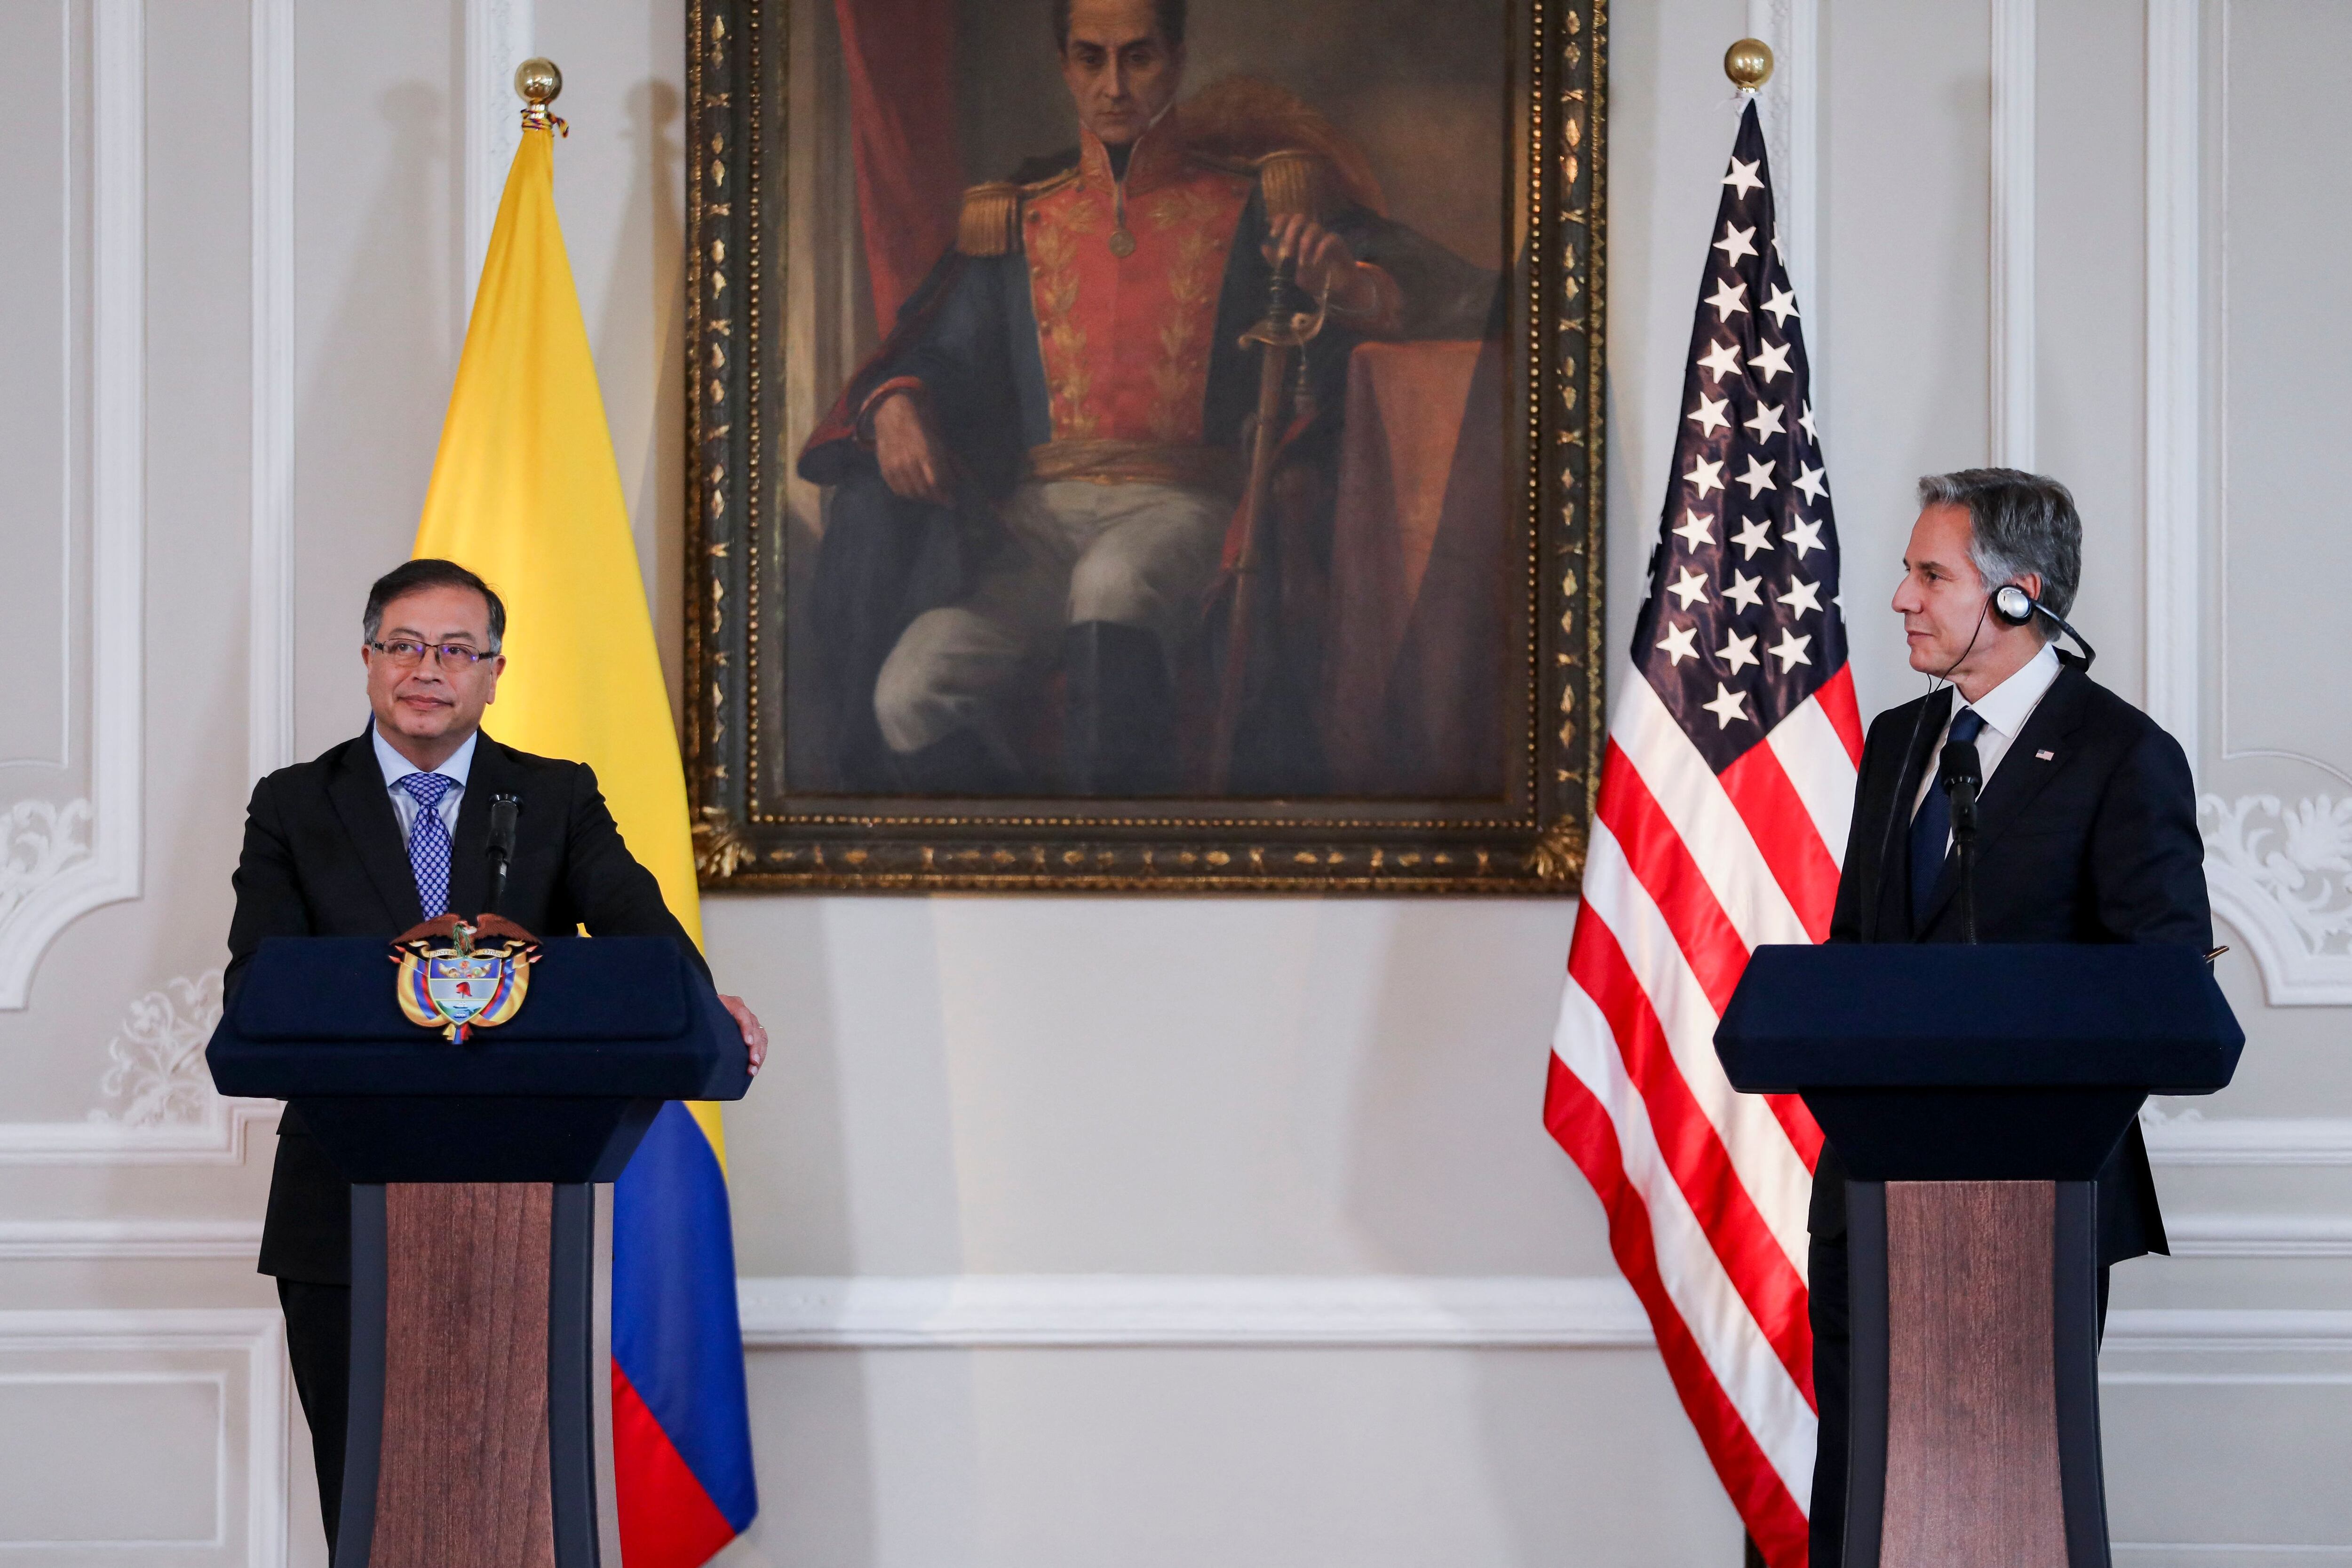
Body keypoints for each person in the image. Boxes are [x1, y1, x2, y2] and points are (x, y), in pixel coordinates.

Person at [796, 0, 1494, 797]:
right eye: (1092, 59)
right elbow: (938, 350)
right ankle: (1034, 854)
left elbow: (1436, 288)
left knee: (1115, 582)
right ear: (1065, 65)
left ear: (1178, 57)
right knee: (909, 689)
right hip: (1034, 530)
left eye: (1140, 57)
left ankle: (1115, 852)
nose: (1115, 85)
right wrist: (895, 401)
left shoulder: (1259, 202)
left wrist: (1346, 285)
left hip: (1182, 509)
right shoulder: (1019, 214)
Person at [224, 558, 769, 1548]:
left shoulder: (555, 797)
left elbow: (636, 925)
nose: (427, 669)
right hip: (339, 1212)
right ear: (368, 658)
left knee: (513, 1506)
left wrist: (699, 1004)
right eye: (404, 645)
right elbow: (259, 985)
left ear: (493, 671)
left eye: (455, 651)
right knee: (369, 1503)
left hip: (524, 1213)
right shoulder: (295, 803)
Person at [1806, 469, 2209, 1565]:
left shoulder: (2121, 756)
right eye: (1909, 571)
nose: (1900, 597)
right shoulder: (1898, 742)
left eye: (1930, 574)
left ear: (2021, 596)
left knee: (2010, 1503)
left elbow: (2165, 982)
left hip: (2039, 1194)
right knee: (1861, 1499)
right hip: (1871, 1197)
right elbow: (1855, 958)